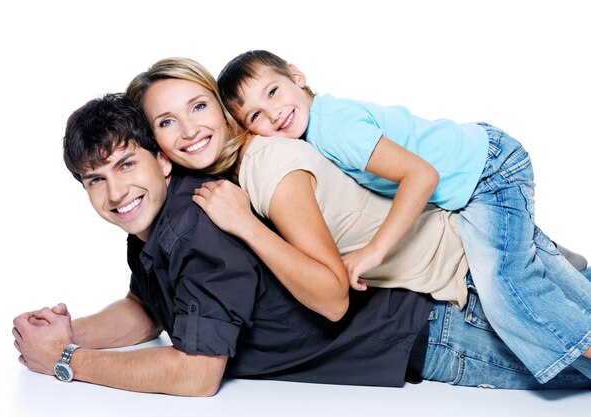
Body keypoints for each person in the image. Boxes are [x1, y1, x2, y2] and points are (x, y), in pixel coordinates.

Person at [12, 93, 591, 394]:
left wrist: (68, 362)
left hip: (434, 333)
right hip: (433, 298)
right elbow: (149, 308)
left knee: (571, 360)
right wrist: (74, 330)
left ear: (162, 162)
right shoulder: (155, 223)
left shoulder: (199, 227)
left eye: (125, 164)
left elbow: (197, 375)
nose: (116, 191)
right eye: (95, 180)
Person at [214, 50, 591, 383]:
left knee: (507, 293)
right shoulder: (313, 131)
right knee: (553, 284)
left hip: (488, 172)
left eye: (273, 92)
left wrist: (374, 251)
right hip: (471, 182)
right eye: (256, 115)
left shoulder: (332, 128)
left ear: (297, 75)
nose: (273, 114)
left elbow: (421, 175)